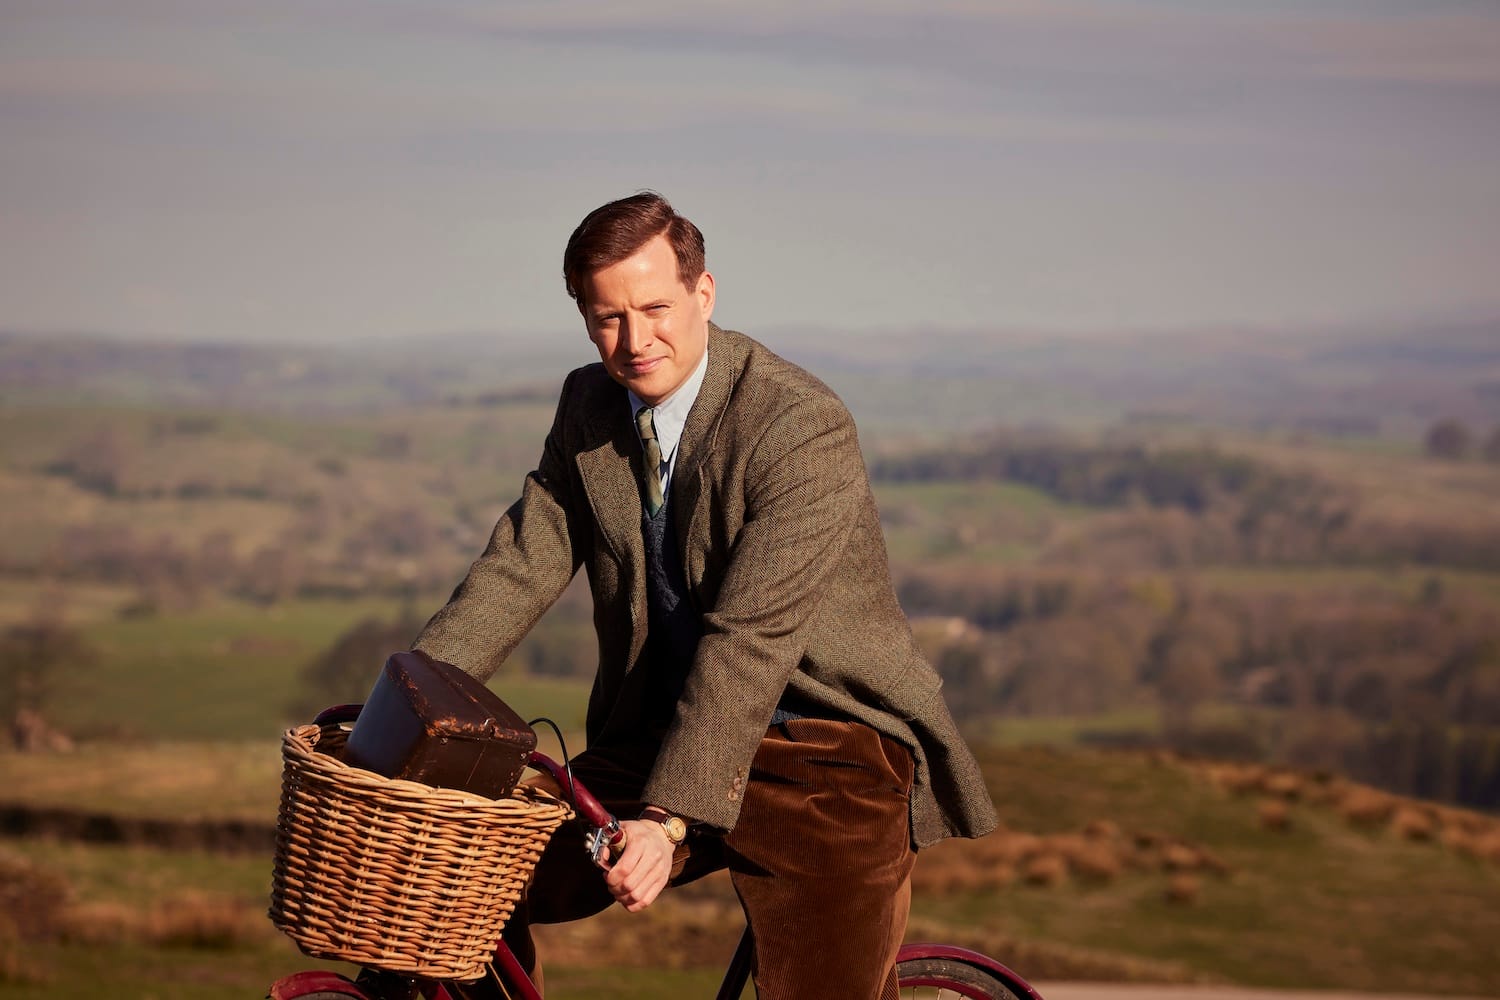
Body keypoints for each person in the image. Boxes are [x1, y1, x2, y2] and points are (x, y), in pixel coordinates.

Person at [413, 192, 996, 999]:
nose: (635, 339)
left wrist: (666, 820)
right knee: (455, 889)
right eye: (609, 316)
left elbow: (748, 641)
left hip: (827, 755)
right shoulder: (589, 405)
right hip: (666, 733)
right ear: (584, 318)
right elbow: (521, 563)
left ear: (704, 293)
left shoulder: (800, 426)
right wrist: (402, 703)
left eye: (654, 307)